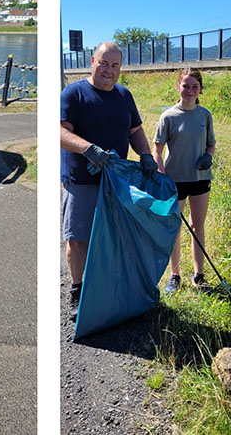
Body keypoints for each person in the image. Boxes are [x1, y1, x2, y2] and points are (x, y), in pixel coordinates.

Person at [60, 42, 158, 318]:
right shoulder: (74, 93)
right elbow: (60, 132)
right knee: (79, 239)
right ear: (92, 61)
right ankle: (78, 290)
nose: (109, 70)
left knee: (112, 239)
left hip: (115, 183)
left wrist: (146, 154)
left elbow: (135, 130)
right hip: (81, 181)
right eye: (104, 63)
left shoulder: (124, 96)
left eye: (115, 65)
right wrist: (87, 148)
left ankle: (106, 289)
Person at [154, 67, 218, 292]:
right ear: (178, 87)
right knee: (175, 228)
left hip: (200, 179)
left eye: (194, 86)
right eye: (186, 85)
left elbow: (211, 143)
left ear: (200, 90)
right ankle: (174, 275)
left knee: (197, 227)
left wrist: (208, 158)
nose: (190, 90)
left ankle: (199, 275)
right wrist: (161, 175)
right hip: (175, 181)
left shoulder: (204, 115)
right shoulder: (168, 116)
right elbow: (157, 149)